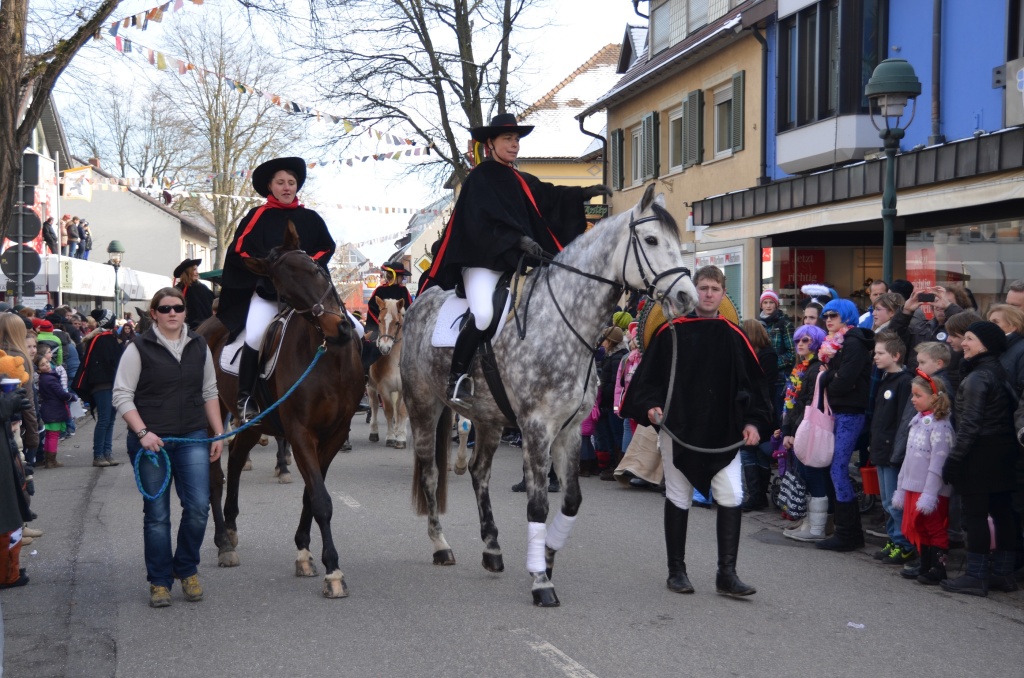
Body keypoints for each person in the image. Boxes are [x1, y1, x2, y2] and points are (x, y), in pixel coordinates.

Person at [418, 113, 610, 404]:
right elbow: (477, 225)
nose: (514, 144)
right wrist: (517, 239)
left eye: (517, 139)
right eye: (508, 139)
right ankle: (457, 378)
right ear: (490, 144)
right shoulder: (478, 179)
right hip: (483, 262)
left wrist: (583, 193)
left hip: (516, 264)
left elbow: (548, 196)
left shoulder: (519, 178)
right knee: (483, 314)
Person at [620, 265, 771, 597]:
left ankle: (726, 574)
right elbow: (648, 382)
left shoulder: (735, 336)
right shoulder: (671, 334)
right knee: (678, 496)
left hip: (724, 433)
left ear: (722, 294)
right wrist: (651, 406)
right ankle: (677, 571)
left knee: (731, 495)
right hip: (679, 429)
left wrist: (754, 422)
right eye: (703, 287)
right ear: (693, 290)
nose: (708, 294)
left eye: (714, 289)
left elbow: (756, 386)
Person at [113, 287, 224, 608]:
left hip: (192, 435)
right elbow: (121, 395)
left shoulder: (198, 344)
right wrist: (143, 432)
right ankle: (159, 581)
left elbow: (209, 389)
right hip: (152, 444)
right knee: (158, 515)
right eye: (165, 308)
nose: (172, 313)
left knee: (199, 507)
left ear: (185, 311)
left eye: (178, 307)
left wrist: (217, 431)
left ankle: (186, 569)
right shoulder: (138, 347)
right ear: (154, 313)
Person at [219, 157, 338, 422]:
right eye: (281, 182)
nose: (287, 187)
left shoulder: (310, 217)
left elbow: (327, 246)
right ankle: (246, 398)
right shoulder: (257, 216)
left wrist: (307, 264)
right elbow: (239, 249)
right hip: (269, 293)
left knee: (354, 327)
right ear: (270, 187)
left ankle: (355, 390)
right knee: (255, 335)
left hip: (310, 295)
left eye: (291, 182)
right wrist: (270, 267)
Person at [940, 322, 1019, 596]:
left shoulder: (977, 377)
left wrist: (954, 460)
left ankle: (976, 575)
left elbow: (969, 425)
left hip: (980, 452)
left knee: (975, 514)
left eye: (970, 339)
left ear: (985, 345)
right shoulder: (999, 370)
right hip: (1002, 450)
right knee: (1002, 511)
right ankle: (1003, 574)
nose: (964, 343)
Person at [814, 298, 874, 552]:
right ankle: (846, 531)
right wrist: (832, 378)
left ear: (847, 317)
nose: (828, 320)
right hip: (837, 411)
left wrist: (828, 378)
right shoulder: (834, 344)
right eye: (826, 316)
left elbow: (844, 379)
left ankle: (849, 534)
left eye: (834, 316)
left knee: (839, 468)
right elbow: (835, 377)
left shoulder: (854, 342)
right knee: (834, 467)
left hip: (850, 412)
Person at [892, 373, 955, 585]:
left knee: (934, 527)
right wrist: (901, 487)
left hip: (930, 490)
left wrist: (930, 494)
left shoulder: (941, 427)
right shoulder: (918, 422)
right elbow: (909, 459)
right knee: (921, 527)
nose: (913, 399)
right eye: (913, 395)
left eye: (918, 395)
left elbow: (938, 464)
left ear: (934, 397)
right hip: (913, 485)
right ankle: (926, 564)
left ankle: (938, 568)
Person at [780, 324, 831, 542]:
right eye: (798, 340)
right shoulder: (800, 367)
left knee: (813, 472)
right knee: (805, 473)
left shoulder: (815, 368)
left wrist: (793, 431)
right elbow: (792, 403)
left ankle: (817, 527)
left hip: (810, 428)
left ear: (817, 343)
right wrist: (787, 430)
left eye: (806, 340)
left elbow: (808, 403)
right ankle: (809, 522)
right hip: (800, 427)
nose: (800, 344)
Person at [868, 331, 915, 565]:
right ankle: (894, 538)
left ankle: (905, 544)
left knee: (894, 501)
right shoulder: (885, 378)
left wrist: (896, 450)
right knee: (886, 500)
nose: (875, 357)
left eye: (880, 353)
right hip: (881, 448)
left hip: (893, 452)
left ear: (896, 355)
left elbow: (902, 421)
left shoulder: (905, 382)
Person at [72, 309, 121, 467]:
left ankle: (107, 453)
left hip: (108, 385)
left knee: (110, 420)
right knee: (106, 419)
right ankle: (99, 454)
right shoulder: (104, 339)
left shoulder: (100, 338)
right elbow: (113, 363)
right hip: (104, 385)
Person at [739, 319, 778, 512]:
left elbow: (764, 384)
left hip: (762, 409)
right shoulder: (749, 355)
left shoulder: (767, 355)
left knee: (758, 450)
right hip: (750, 408)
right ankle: (756, 495)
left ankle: (758, 495)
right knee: (748, 451)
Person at [361, 261, 414, 374]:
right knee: (370, 346)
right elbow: (372, 308)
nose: (403, 279)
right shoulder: (380, 290)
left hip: (399, 327)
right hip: (380, 326)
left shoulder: (403, 290)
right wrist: (382, 325)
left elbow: (410, 308)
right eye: (402, 276)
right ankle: (364, 372)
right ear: (395, 275)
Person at [596, 326, 628, 481]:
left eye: (605, 339)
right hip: (608, 402)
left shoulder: (617, 358)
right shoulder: (610, 356)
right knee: (610, 434)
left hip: (612, 403)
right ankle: (612, 465)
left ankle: (617, 466)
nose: (602, 342)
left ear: (611, 341)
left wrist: (603, 392)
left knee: (616, 434)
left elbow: (614, 382)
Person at [758, 290, 794, 418]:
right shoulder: (758, 324)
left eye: (771, 302)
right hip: (763, 377)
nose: (768, 306)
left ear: (776, 305)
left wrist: (772, 365)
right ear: (761, 305)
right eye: (765, 302)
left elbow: (792, 353)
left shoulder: (785, 324)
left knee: (780, 415)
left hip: (780, 379)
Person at [35, 355, 73, 467]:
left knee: (50, 435)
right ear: (38, 369)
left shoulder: (44, 378)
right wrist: (71, 397)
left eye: (46, 362)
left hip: (49, 408)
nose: (46, 365)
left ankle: (48, 459)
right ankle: (51, 461)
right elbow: (60, 393)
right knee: (53, 435)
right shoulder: (49, 378)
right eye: (43, 364)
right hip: (54, 409)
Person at [173, 258, 215, 332]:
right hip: (184, 328)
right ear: (187, 272)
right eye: (194, 270)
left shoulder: (202, 288)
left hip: (204, 328)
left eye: (197, 270)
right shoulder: (177, 290)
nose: (197, 273)